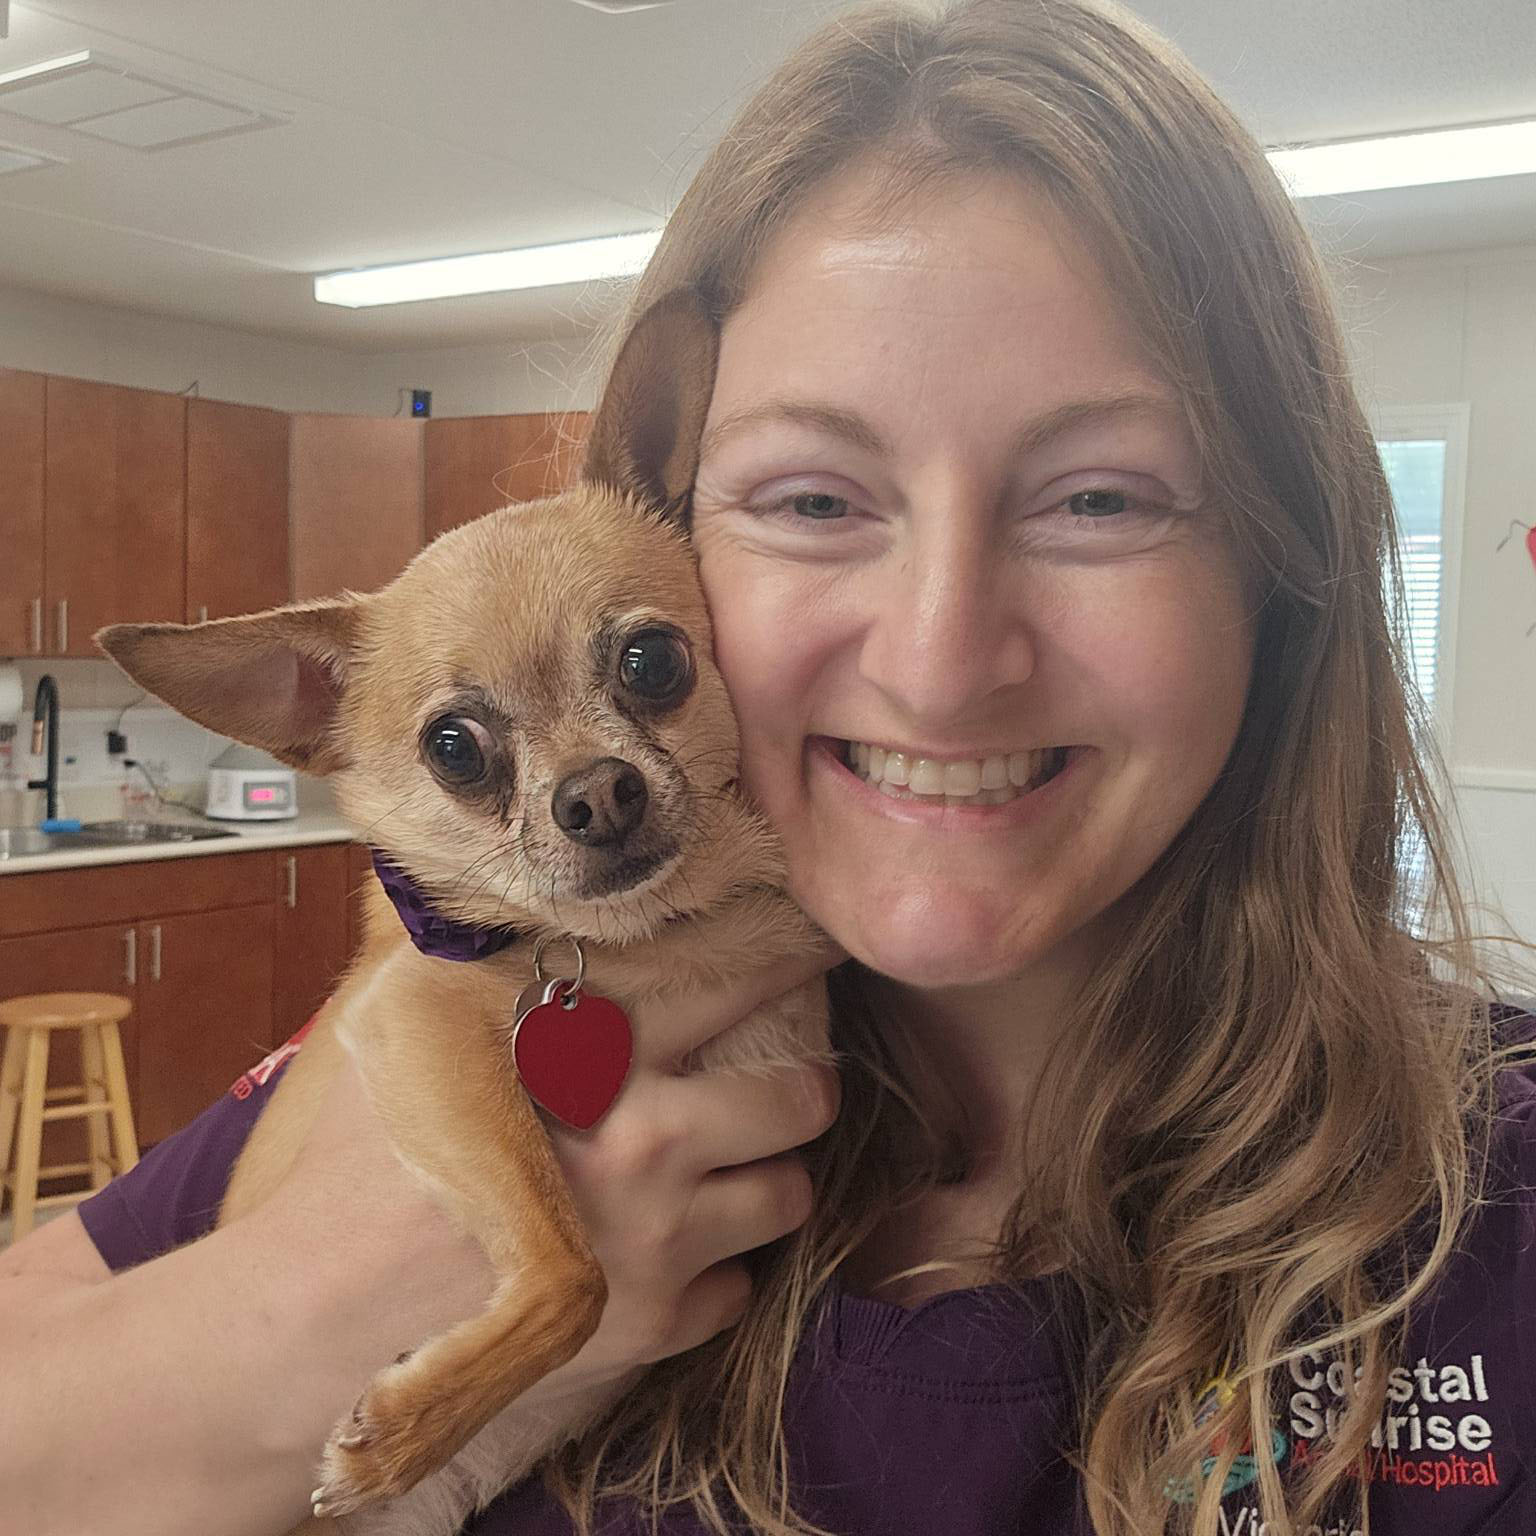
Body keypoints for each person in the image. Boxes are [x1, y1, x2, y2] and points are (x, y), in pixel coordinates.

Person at [2, 2, 1533, 1533]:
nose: (940, 660)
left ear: (1290, 566)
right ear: (686, 508)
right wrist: (317, 1296)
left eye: (1100, 497)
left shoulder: (1493, 1224)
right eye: (811, 498)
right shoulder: (435, 1029)